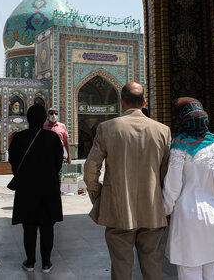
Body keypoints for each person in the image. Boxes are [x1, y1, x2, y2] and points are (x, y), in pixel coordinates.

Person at [83, 82, 171, 280]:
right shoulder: (162, 130)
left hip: (118, 208)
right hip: (152, 208)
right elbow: (166, 173)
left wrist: (98, 195)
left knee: (121, 265)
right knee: (152, 264)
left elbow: (90, 169)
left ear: (121, 103)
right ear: (144, 102)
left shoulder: (108, 128)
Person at [163, 98, 214, 280]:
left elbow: (173, 188)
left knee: (189, 270)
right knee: (211, 267)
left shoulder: (178, 147)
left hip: (188, 215)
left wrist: (164, 210)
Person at [9, 104, 64, 273]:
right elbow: (58, 163)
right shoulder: (53, 138)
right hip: (48, 188)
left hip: (27, 188)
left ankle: (30, 261)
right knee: (47, 226)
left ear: (27, 118)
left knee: (29, 226)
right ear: (44, 119)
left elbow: (13, 162)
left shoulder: (19, 137)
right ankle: (46, 262)